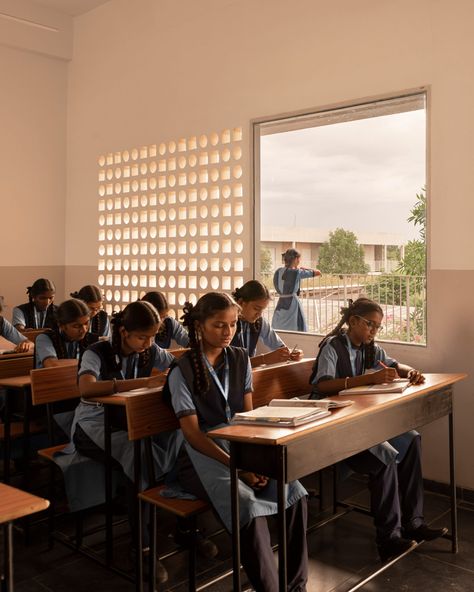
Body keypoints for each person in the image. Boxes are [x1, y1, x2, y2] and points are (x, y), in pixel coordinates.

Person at [165, 292, 308, 591]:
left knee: (293, 491)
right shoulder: (183, 370)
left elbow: (246, 416)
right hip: (201, 451)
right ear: (199, 326)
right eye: (218, 325)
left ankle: (296, 585)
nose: (227, 332)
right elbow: (191, 433)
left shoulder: (240, 357)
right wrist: (238, 466)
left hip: (239, 442)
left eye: (231, 324)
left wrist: (256, 457)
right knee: (245, 504)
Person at [309, 297, 447, 562]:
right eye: (370, 325)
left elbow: (394, 365)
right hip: (335, 423)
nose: (373, 331)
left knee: (411, 439)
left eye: (377, 327)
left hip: (363, 420)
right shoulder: (332, 346)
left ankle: (413, 522)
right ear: (353, 322)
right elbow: (322, 385)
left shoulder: (371, 349)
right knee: (384, 455)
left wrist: (410, 372)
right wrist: (368, 378)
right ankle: (389, 538)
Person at [71, 300, 181, 583]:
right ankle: (142, 547)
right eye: (142, 336)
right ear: (123, 331)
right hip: (93, 425)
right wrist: (141, 384)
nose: (149, 342)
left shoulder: (150, 350)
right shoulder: (97, 351)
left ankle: (183, 526)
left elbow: (176, 367)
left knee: (181, 441)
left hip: (131, 421)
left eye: (153, 336)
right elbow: (86, 388)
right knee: (139, 456)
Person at [231, 280, 303, 367]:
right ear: (241, 302)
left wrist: (292, 353)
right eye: (256, 308)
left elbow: (280, 348)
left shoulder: (259, 322)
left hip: (248, 375)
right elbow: (230, 364)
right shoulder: (227, 324)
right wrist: (264, 359)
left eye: (262, 310)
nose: (259, 314)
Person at [35, 298, 99, 369]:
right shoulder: (44, 339)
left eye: (86, 323)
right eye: (77, 326)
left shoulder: (91, 338)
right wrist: (90, 361)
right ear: (62, 326)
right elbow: (52, 365)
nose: (84, 330)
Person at [271, 248, 321, 332]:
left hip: (281, 301)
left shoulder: (278, 271)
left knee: (279, 326)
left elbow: (276, 285)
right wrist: (304, 268)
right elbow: (318, 272)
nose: (299, 261)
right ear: (295, 259)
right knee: (296, 326)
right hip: (292, 303)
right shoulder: (297, 272)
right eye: (299, 259)